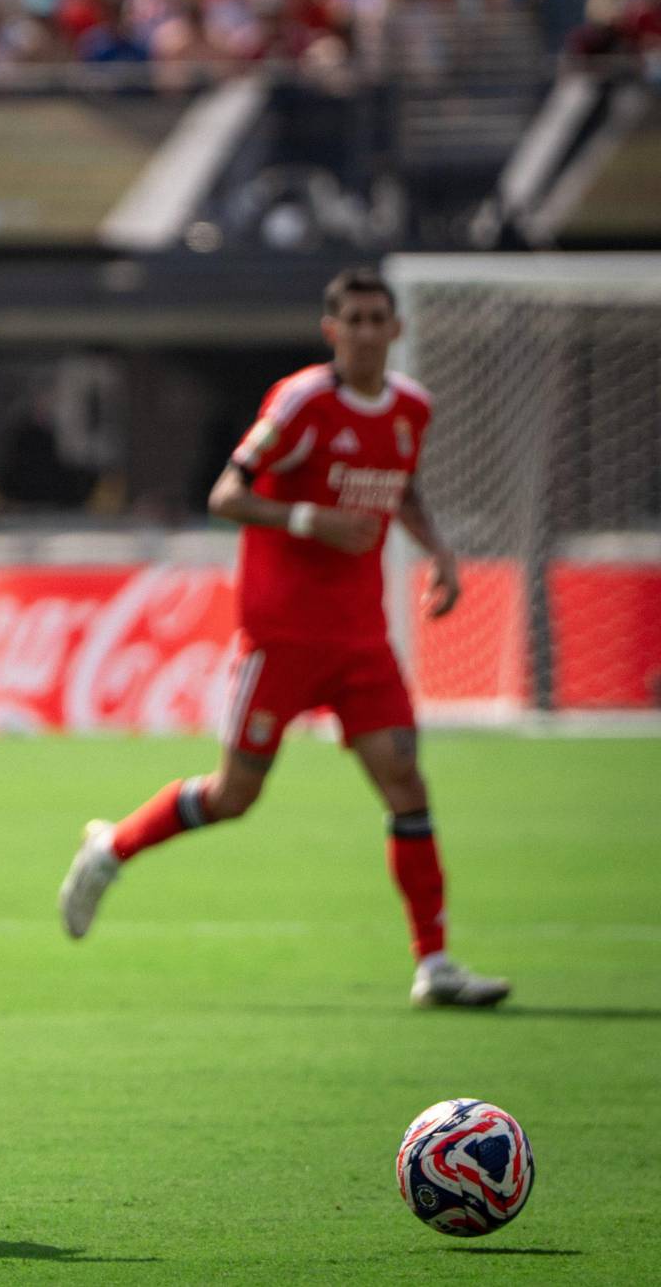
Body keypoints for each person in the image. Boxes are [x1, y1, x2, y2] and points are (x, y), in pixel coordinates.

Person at [57, 266, 510, 1010]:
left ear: (397, 329)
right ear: (331, 330)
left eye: (377, 319)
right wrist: (311, 520)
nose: (365, 332)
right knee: (236, 795)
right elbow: (226, 494)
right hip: (282, 635)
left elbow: (400, 485)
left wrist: (440, 549)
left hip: (363, 637)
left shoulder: (411, 410)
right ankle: (111, 849)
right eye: (352, 319)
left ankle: (435, 963)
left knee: (405, 782)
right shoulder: (302, 402)